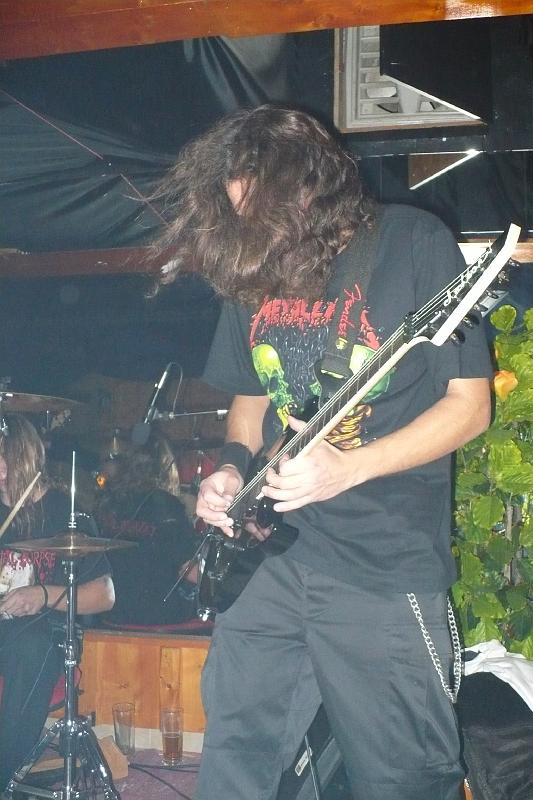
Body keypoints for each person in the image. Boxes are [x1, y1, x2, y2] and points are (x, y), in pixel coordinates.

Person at [158, 105, 493, 800]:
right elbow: (250, 402)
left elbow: (469, 407)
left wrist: (349, 467)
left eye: (261, 211)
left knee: (403, 776)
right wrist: (231, 468)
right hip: (272, 557)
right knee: (236, 754)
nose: (250, 229)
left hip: (382, 561)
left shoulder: (412, 243)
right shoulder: (255, 272)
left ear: (311, 186)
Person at [0, 413, 114, 790]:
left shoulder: (66, 513)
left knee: (29, 646)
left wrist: (43, 595)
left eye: (5, 461)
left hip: (44, 632)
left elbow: (105, 595)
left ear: (26, 458)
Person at [94, 432, 200, 626]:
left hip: (111, 614)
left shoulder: (107, 504)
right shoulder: (167, 505)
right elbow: (190, 571)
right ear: (166, 467)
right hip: (159, 617)